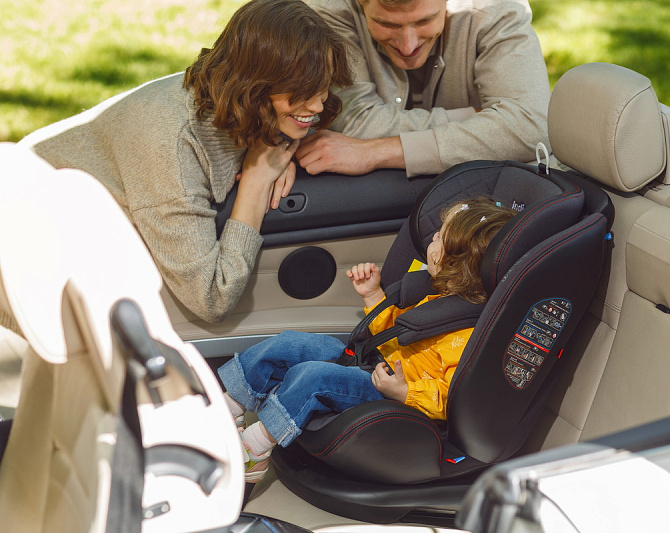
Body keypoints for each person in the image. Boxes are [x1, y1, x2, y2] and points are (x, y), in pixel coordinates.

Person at [19, 0, 352, 323]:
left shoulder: (235, 102)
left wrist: (278, 141)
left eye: (322, 86)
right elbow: (212, 298)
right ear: (254, 84)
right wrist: (257, 179)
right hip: (29, 269)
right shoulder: (174, 145)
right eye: (302, 92)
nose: (318, 105)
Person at [219, 197, 517, 482]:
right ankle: (228, 409)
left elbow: (453, 396)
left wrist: (405, 392)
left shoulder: (466, 337)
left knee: (314, 378)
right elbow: (396, 332)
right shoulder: (437, 293)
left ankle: (255, 451)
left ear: (456, 268)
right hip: (375, 361)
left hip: (392, 395)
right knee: (291, 343)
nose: (434, 236)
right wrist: (374, 295)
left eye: (442, 237)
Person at [294, 0, 551, 178]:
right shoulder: (326, 12)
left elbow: (531, 126)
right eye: (387, 24)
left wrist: (377, 151)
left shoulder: (496, 9)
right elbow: (353, 121)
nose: (408, 46)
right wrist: (477, 118)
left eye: (425, 20)